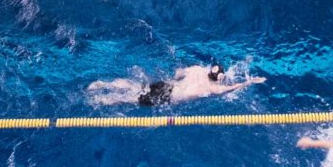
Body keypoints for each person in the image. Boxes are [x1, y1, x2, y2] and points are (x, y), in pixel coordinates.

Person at [91, 63, 261, 108]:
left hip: (166, 85)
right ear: (220, 78)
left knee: (136, 87)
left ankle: (103, 84)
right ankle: (105, 101)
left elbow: (178, 73)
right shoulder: (212, 89)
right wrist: (250, 81)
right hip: (169, 97)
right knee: (132, 100)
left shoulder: (197, 69)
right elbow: (233, 87)